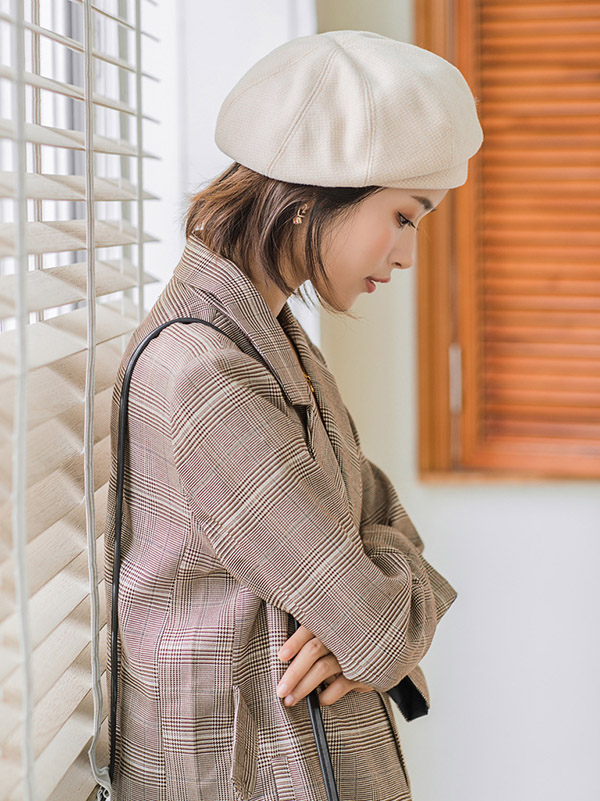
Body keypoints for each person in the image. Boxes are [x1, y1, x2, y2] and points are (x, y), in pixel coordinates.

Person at [104, 29, 483, 801]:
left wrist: (376, 592)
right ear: (311, 200)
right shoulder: (208, 374)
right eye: (405, 216)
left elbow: (387, 523)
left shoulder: (273, 344)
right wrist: (373, 614)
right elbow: (374, 630)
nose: (407, 255)